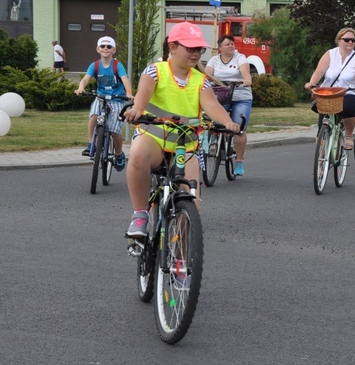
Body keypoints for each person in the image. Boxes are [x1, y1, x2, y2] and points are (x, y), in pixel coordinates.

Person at [122, 22, 239, 238]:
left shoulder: (200, 81)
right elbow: (144, 93)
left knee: (190, 206)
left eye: (199, 49)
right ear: (173, 47)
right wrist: (137, 109)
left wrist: (228, 122)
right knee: (137, 155)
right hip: (154, 140)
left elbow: (212, 106)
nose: (195, 53)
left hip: (185, 147)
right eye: (190, 48)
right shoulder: (155, 71)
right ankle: (140, 214)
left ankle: (181, 264)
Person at [74, 36, 133, 171]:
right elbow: (85, 79)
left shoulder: (117, 65)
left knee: (114, 130)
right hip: (101, 97)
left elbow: (125, 80)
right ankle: (91, 144)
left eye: (108, 47)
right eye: (102, 46)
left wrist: (128, 92)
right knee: (94, 115)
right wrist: (81, 88)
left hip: (117, 99)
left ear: (114, 50)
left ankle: (119, 154)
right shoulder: (94, 65)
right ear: (97, 49)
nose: (105, 49)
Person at [305, 27, 355, 150]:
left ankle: (349, 135)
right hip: (329, 92)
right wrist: (311, 83)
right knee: (322, 124)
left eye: (353, 40)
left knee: (348, 108)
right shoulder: (330, 54)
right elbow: (319, 71)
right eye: (347, 40)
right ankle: (321, 158)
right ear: (339, 40)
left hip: (350, 92)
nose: (350, 43)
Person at [205, 35, 254, 176]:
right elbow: (207, 74)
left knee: (238, 128)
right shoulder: (214, 60)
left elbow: (245, 71)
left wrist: (247, 79)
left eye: (232, 43)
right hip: (221, 96)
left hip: (241, 96)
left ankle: (239, 161)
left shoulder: (240, 57)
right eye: (227, 44)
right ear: (220, 47)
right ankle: (216, 141)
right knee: (214, 121)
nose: (231, 46)